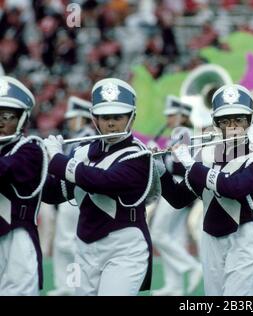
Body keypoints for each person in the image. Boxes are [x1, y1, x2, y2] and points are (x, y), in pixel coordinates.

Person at [42, 78, 159, 296]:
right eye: (105, 117)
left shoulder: (138, 155)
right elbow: (55, 193)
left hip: (125, 248)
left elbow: (103, 181)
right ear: (95, 119)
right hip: (84, 247)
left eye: (118, 117)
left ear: (132, 117)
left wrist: (57, 158)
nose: (111, 123)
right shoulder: (82, 152)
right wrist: (34, 169)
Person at [157, 84, 253, 296]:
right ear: (216, 124)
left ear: (249, 121)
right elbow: (178, 198)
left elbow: (235, 187)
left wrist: (191, 164)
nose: (232, 127)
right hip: (210, 237)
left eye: (238, 120)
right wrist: (160, 171)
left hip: (244, 237)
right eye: (225, 121)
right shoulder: (206, 155)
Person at [150, 95, 202, 296]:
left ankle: (192, 266)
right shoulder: (177, 134)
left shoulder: (184, 134)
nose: (168, 119)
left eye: (172, 115)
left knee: (159, 233)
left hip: (179, 186)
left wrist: (160, 155)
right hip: (177, 184)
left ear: (182, 116)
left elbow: (180, 164)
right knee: (175, 237)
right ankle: (175, 286)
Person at [0, 76, 47, 295]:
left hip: (16, 240)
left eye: (7, 116)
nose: (0, 122)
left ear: (22, 120)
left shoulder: (30, 149)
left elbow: (4, 170)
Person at [47, 96, 96, 296]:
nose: (69, 121)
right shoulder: (75, 135)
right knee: (62, 243)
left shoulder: (87, 137)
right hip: (67, 193)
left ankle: (74, 285)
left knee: (70, 243)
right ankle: (65, 286)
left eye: (73, 118)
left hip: (76, 194)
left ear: (83, 118)